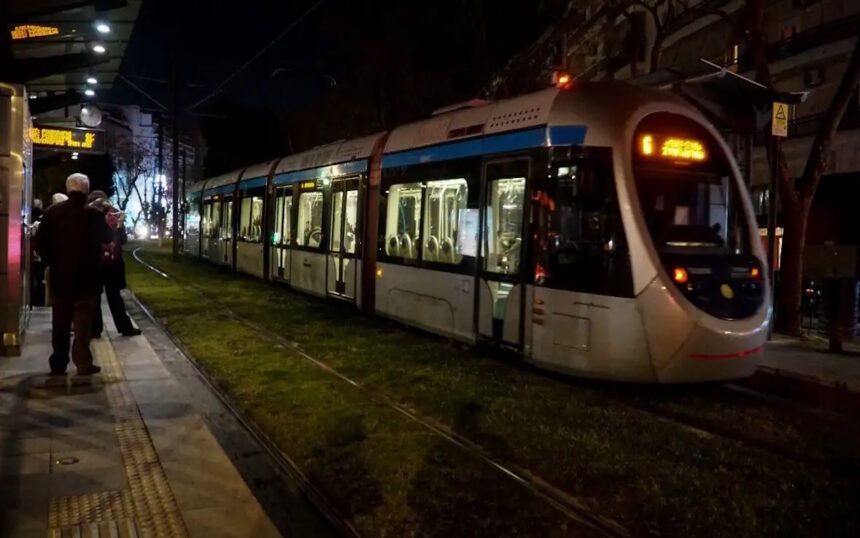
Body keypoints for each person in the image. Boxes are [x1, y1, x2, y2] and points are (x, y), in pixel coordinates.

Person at [34, 174, 113, 376]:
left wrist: (51, 261)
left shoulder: (52, 213)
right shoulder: (93, 215)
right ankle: (83, 362)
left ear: (68, 189)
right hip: (88, 279)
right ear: (86, 191)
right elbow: (108, 237)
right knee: (83, 324)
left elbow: (39, 243)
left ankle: (58, 362)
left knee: (60, 322)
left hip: (61, 278)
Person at [87, 190, 140, 337]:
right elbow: (121, 240)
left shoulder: (89, 215)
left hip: (96, 262)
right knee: (113, 296)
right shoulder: (111, 215)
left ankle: (95, 329)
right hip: (111, 263)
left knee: (96, 297)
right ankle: (124, 327)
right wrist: (120, 225)